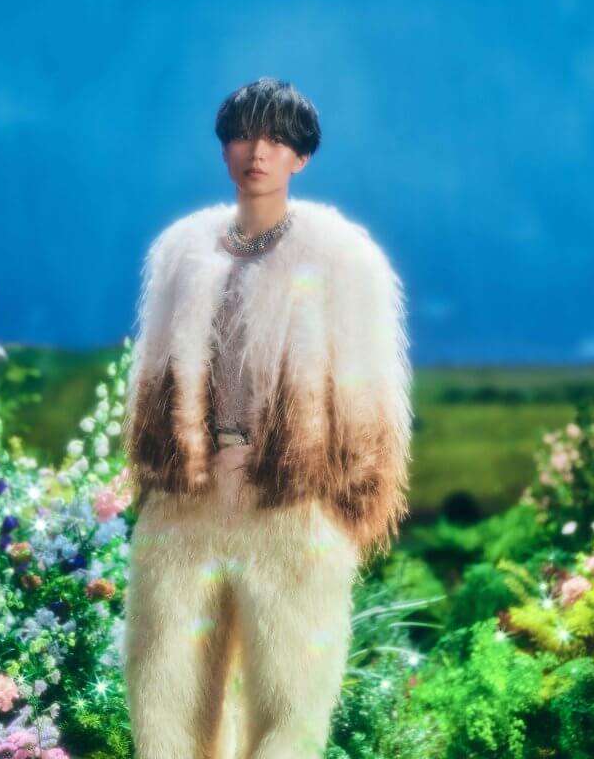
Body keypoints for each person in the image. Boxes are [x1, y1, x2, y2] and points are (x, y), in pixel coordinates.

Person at [122, 77, 413, 759]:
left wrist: (344, 502)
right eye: (244, 135)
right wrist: (157, 473)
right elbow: (154, 381)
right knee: (163, 690)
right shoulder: (182, 253)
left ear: (300, 156)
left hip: (291, 501)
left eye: (278, 139)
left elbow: (369, 391)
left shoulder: (342, 260)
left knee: (292, 695)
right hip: (187, 501)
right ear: (225, 146)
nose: (258, 151)